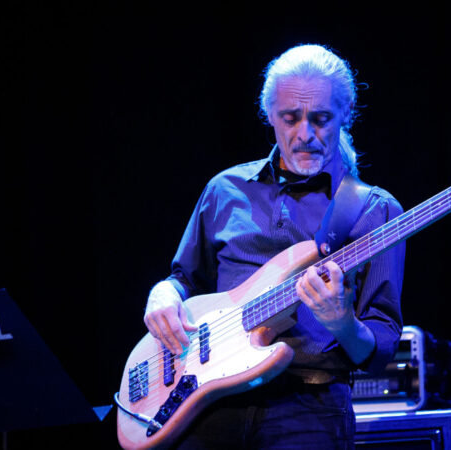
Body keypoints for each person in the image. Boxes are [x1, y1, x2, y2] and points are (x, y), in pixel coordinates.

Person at [143, 44, 406, 449]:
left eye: (321, 119)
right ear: (269, 113)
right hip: (208, 402)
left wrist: (343, 323)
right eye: (290, 117)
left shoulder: (374, 210)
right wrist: (162, 294)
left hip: (309, 407)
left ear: (347, 112)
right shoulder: (225, 189)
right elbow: (184, 280)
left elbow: (380, 346)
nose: (305, 134)